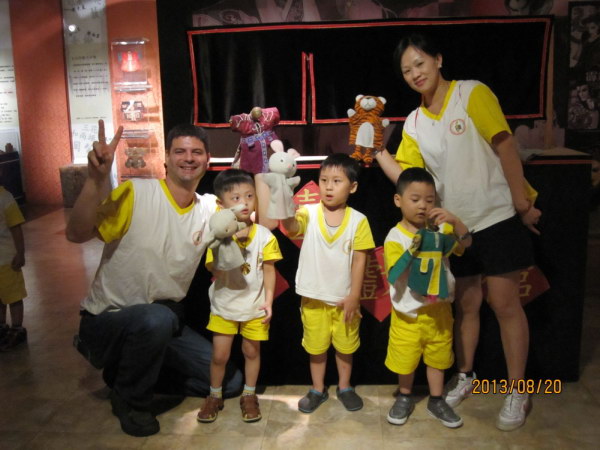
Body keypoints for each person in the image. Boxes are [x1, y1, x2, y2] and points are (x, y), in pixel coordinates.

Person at [374, 33, 541, 431]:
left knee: (505, 304)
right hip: (451, 229)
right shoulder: (414, 121)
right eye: (407, 70)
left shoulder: (472, 93)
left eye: (420, 63)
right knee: (466, 305)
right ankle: (465, 376)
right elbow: (408, 177)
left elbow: (505, 145)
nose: (415, 74)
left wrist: (521, 203)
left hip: (496, 216)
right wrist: (377, 149)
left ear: (438, 59)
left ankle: (518, 390)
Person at [66, 120, 242, 437]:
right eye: (180, 151)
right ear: (166, 159)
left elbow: (247, 216)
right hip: (108, 318)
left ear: (208, 161)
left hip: (162, 324)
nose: (188, 158)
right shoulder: (137, 193)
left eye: (196, 152)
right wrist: (96, 179)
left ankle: (127, 374)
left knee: (229, 383)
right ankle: (131, 400)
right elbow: (76, 233)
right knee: (156, 318)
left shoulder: (209, 209)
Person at [280, 153, 375, 413]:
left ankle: (345, 387)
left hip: (345, 300)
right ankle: (317, 389)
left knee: (345, 347)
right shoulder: (308, 212)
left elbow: (360, 260)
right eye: (324, 180)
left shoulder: (359, 220)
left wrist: (354, 295)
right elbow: (291, 227)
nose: (328, 187)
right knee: (316, 347)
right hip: (313, 297)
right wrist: (283, 201)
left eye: (336, 181)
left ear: (352, 187)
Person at [384, 168, 472, 428]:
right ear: (398, 200)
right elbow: (394, 272)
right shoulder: (394, 237)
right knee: (405, 358)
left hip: (439, 311)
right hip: (407, 314)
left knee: (438, 356)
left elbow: (465, 245)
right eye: (415, 199)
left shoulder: (440, 231)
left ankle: (436, 399)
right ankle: (405, 396)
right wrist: (416, 245)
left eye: (429, 200)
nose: (422, 205)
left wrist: (454, 222)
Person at [196, 169, 282, 424]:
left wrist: (268, 301)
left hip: (255, 308)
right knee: (219, 356)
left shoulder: (264, 236)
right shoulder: (217, 237)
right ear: (221, 204)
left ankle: (249, 394)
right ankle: (214, 395)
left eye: (249, 196)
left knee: (251, 352)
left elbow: (269, 271)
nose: (244, 203)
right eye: (235, 198)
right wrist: (226, 240)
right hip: (224, 307)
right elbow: (215, 269)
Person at [0, 183, 27, 351]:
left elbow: (15, 227)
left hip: (7, 260)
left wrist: (20, 252)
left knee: (13, 296)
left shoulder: (5, 198)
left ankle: (17, 328)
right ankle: (2, 326)